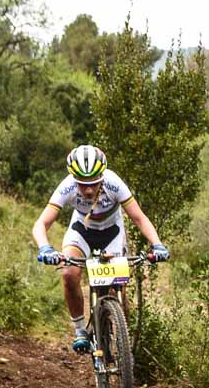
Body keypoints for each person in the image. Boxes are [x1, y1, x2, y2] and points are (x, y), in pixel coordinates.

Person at [29, 145, 170, 352]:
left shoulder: (114, 183)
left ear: (102, 177)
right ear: (74, 179)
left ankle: (121, 338)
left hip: (111, 234)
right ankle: (80, 330)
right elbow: (40, 224)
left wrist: (157, 245)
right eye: (82, 184)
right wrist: (45, 248)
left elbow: (139, 217)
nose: (87, 190)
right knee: (69, 274)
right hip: (82, 232)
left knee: (117, 286)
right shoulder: (66, 187)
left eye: (93, 184)